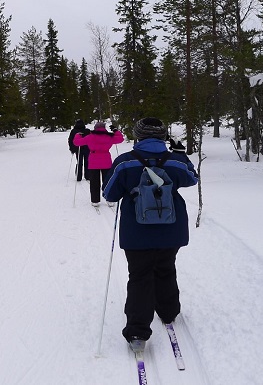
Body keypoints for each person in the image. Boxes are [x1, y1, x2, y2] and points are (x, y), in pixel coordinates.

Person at [102, 117, 198, 352]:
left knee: (140, 276)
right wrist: (180, 154)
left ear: (138, 136)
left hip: (137, 231)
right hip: (171, 228)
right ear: (163, 136)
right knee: (166, 268)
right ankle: (168, 311)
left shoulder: (125, 162)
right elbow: (192, 178)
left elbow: (109, 194)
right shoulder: (175, 161)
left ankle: (137, 331)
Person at [73, 121, 124, 207]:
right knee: (108, 181)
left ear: (95, 128)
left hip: (93, 161)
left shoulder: (90, 137)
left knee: (94, 182)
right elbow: (120, 139)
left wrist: (78, 134)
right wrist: (115, 130)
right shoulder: (109, 137)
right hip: (106, 160)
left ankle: (95, 200)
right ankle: (110, 199)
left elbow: (77, 142)